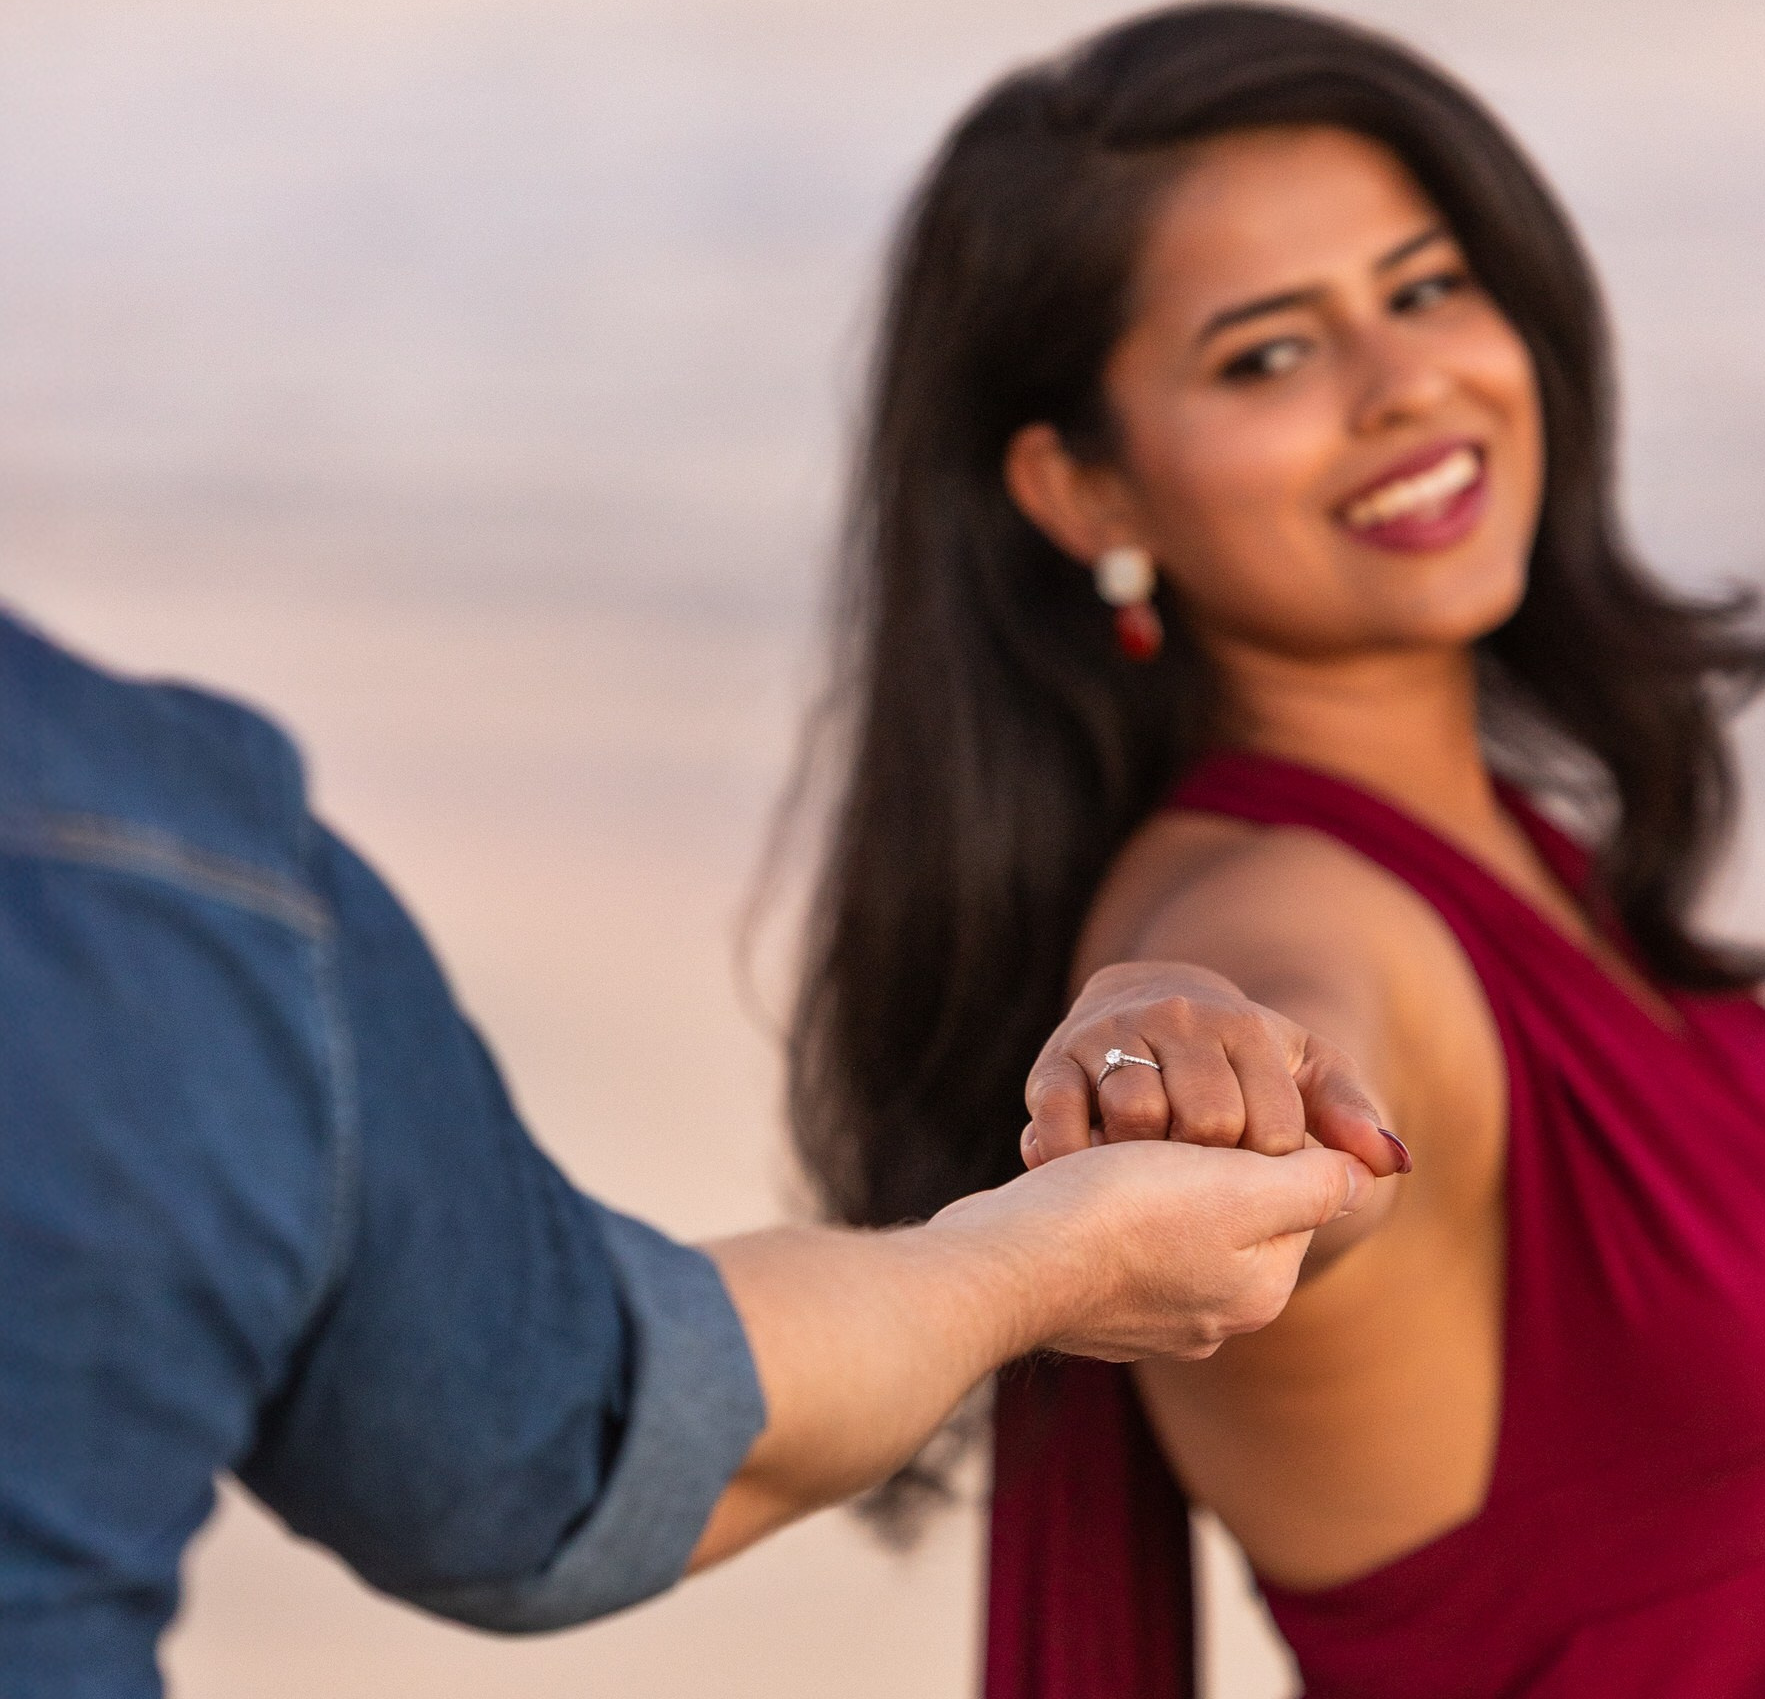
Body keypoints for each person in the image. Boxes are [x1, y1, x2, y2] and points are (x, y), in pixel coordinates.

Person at [786, 0, 1765, 1698]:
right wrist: (1169, 1046)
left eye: (1426, 288)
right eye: (1269, 354)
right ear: (1086, 492)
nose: (1408, 388)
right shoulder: (1279, 906)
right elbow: (1294, 1101)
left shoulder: (1504, 843)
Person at [0, 602, 1393, 1699]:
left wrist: (1047, 1254)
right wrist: (1054, 1243)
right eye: (1263, 355)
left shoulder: (160, 871)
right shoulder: (154, 873)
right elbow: (548, 1449)